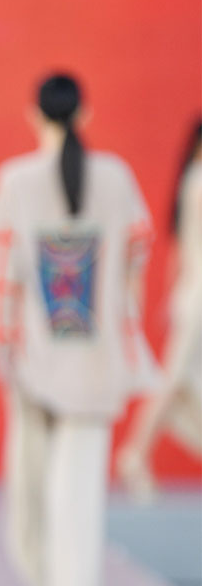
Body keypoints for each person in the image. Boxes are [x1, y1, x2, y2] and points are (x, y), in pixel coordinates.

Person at [0, 73, 155, 586]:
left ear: (35, 115)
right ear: (85, 115)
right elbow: (138, 249)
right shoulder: (117, 178)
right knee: (80, 482)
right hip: (97, 360)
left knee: (32, 486)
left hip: (34, 360)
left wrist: (0, 349)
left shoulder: (14, 181)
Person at [116, 117, 202, 495]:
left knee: (179, 380)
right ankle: (134, 452)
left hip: (191, 292)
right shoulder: (199, 181)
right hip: (197, 297)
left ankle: (136, 452)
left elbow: (180, 249)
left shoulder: (191, 180)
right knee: (173, 379)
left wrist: (172, 295)